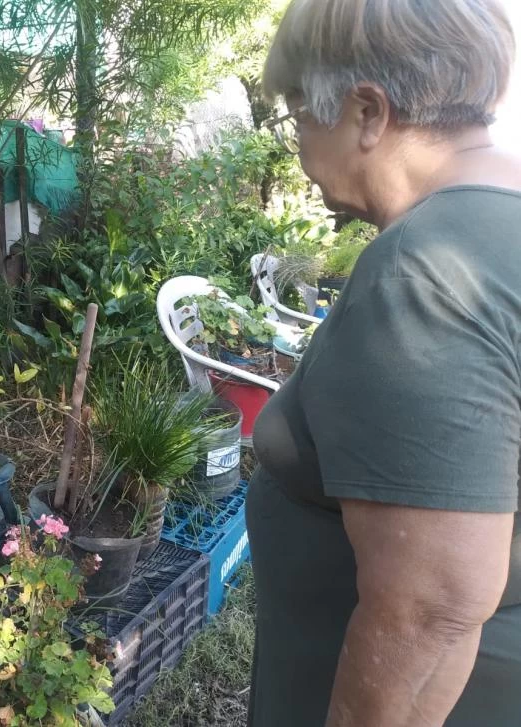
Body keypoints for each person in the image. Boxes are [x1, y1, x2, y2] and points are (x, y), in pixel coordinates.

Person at [248, 0, 521, 724]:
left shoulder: (427, 276)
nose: (299, 146)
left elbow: (431, 611)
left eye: (301, 114)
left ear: (367, 112)